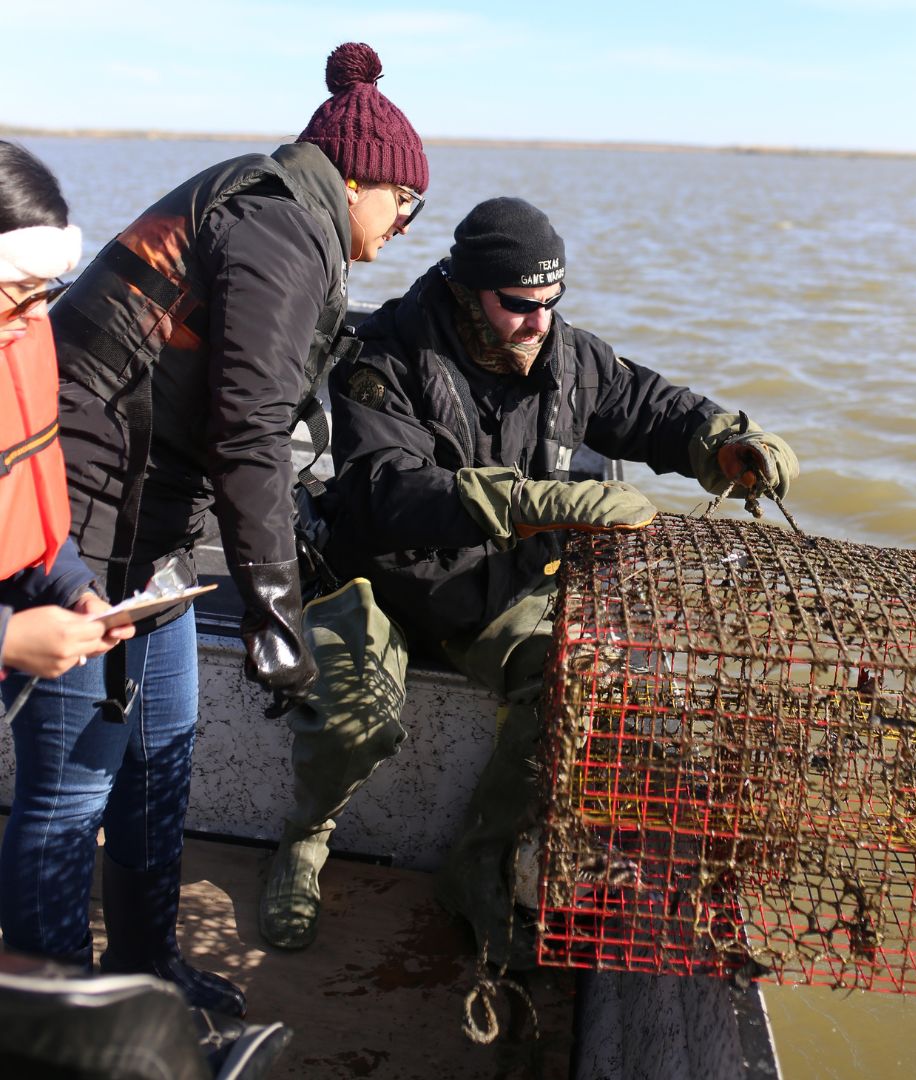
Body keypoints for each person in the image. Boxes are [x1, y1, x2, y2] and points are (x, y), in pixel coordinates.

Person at [258, 196, 799, 968]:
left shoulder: (572, 358)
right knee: (352, 710)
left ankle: (477, 871)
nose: (536, 322)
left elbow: (655, 411)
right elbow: (387, 490)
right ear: (465, 287)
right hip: (381, 585)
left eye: (551, 302)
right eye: (517, 305)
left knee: (579, 684)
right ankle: (302, 843)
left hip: (497, 594)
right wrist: (533, 502)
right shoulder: (385, 357)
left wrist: (729, 443)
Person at [1, 42, 428, 1017]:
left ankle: (149, 977)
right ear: (366, 181)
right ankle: (54, 1018)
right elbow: (247, 430)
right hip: (83, 515)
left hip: (153, 527)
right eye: (406, 205)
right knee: (71, 794)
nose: (406, 226)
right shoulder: (282, 223)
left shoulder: (290, 214)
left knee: (163, 760)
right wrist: (277, 613)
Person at [0, 142, 131, 686]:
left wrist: (73, 588)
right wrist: (9, 637)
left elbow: (26, 518)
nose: (35, 318)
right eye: (21, 291)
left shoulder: (20, 344)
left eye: (44, 295)